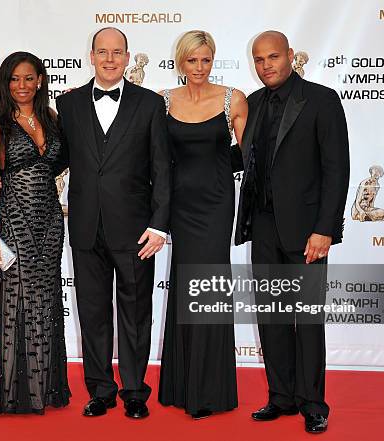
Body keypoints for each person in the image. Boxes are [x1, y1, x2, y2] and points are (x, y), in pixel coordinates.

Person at [235, 31, 350, 434]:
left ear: (290, 56)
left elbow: (337, 169)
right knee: (272, 318)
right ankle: (281, 397)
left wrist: (325, 229)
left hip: (306, 232)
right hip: (263, 226)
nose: (266, 65)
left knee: (308, 319)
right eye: (259, 59)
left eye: (273, 57)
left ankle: (313, 403)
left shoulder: (321, 99)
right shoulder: (250, 103)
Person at [55, 27, 171, 419]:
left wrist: (159, 225)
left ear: (127, 57)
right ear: (90, 55)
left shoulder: (151, 104)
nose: (109, 59)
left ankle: (135, 391)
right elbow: (58, 160)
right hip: (86, 226)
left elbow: (162, 170)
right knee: (92, 311)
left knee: (136, 312)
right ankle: (100, 389)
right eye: (102, 52)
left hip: (137, 229)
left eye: (117, 53)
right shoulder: (67, 106)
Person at [157, 30, 247, 420]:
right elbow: (154, 157)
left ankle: (208, 389)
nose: (199, 67)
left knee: (208, 281)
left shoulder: (232, 99)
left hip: (214, 204)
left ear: (213, 60)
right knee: (184, 280)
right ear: (181, 61)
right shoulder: (162, 101)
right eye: (192, 60)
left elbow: (249, 154)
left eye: (206, 60)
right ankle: (181, 384)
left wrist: (214, 171)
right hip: (179, 205)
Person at [0, 51, 70, 415]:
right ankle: (15, 391)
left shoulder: (51, 119)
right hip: (14, 217)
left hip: (50, 218)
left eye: (28, 78)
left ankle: (45, 389)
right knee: (17, 296)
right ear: (5, 83)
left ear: (40, 80)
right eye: (14, 79)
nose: (22, 86)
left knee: (45, 297)